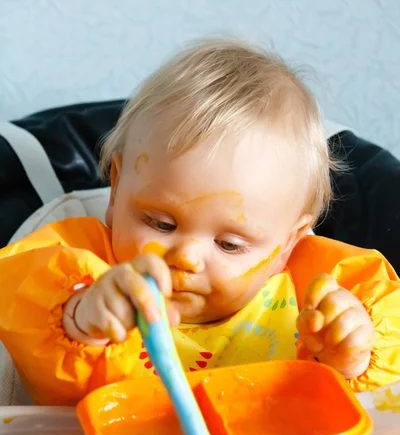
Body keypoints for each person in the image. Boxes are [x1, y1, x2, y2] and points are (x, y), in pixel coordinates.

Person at [0, 39, 399, 406]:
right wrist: (81, 318)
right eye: (160, 223)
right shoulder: (73, 262)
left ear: (290, 243)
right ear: (117, 190)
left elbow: (372, 405)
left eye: (229, 245)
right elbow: (24, 308)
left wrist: (349, 358)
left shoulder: (322, 288)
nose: (187, 257)